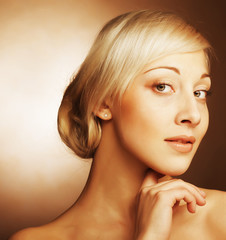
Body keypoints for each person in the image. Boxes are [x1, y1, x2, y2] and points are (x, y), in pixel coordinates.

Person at [9, 10, 226, 240]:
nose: (193, 115)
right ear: (103, 101)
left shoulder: (220, 218)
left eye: (199, 92)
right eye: (162, 86)